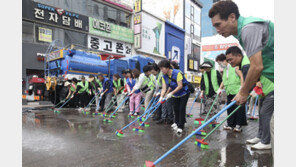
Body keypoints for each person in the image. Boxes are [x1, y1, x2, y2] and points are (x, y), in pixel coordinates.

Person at [209, 1, 274, 150]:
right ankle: (262, 137)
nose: (217, 30)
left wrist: (243, 92)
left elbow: (256, 66)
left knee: (272, 124)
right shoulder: (243, 33)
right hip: (271, 80)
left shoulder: (248, 29)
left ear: (232, 17)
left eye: (218, 24)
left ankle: (266, 142)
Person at [225, 46, 274, 150]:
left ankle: (266, 142)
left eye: (231, 59)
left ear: (239, 55)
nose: (229, 62)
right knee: (261, 114)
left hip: (270, 88)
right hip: (263, 91)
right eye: (227, 60)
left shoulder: (246, 64)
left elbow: (250, 82)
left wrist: (243, 96)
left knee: (265, 114)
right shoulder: (244, 63)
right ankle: (260, 136)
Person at [215, 53, 247, 132]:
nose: (220, 65)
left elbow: (242, 76)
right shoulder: (225, 70)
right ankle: (230, 124)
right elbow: (224, 80)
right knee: (230, 109)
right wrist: (220, 88)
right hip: (229, 92)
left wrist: (241, 88)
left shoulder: (234, 67)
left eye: (220, 63)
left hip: (237, 91)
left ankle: (238, 125)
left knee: (239, 109)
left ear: (224, 60)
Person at [158, 59, 190, 134]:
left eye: (162, 68)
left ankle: (180, 126)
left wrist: (171, 93)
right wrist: (161, 96)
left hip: (184, 92)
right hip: (175, 94)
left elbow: (180, 86)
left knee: (181, 108)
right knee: (175, 109)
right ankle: (176, 122)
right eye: (160, 69)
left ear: (167, 67)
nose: (161, 70)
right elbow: (164, 88)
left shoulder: (177, 73)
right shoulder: (164, 76)